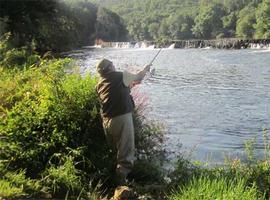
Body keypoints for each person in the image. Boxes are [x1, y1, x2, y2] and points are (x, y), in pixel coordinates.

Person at [95, 58, 151, 186]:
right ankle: (120, 185)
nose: (114, 66)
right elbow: (138, 77)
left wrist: (130, 85)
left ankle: (109, 178)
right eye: (112, 64)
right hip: (121, 118)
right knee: (126, 152)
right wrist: (145, 70)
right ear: (109, 67)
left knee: (115, 151)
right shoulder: (121, 75)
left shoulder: (99, 84)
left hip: (106, 122)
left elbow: (118, 90)